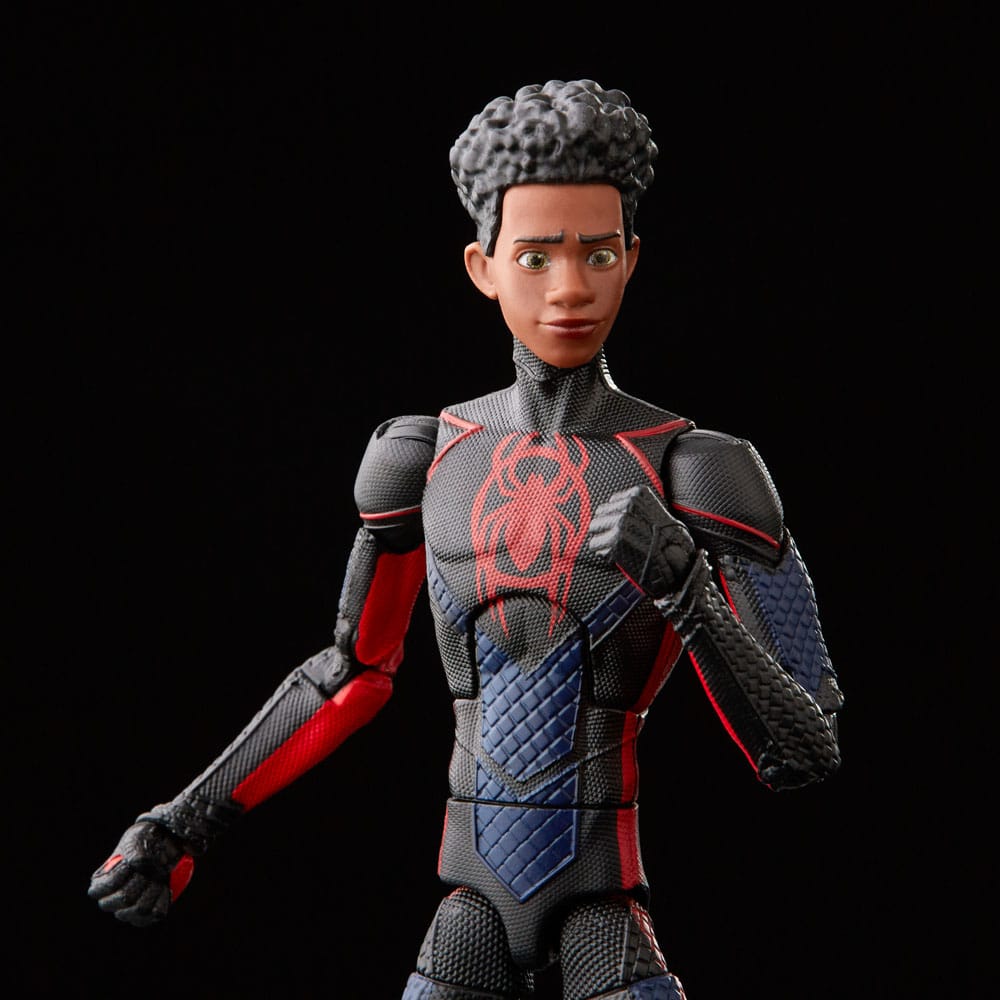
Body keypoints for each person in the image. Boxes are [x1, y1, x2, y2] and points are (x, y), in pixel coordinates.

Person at [89, 79, 843, 999]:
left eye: (598, 253)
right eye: (536, 257)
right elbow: (351, 673)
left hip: (604, 904)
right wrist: (184, 822)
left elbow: (804, 749)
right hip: (468, 913)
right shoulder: (420, 457)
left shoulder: (697, 469)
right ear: (483, 266)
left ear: (632, 261)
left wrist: (687, 591)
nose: (571, 288)